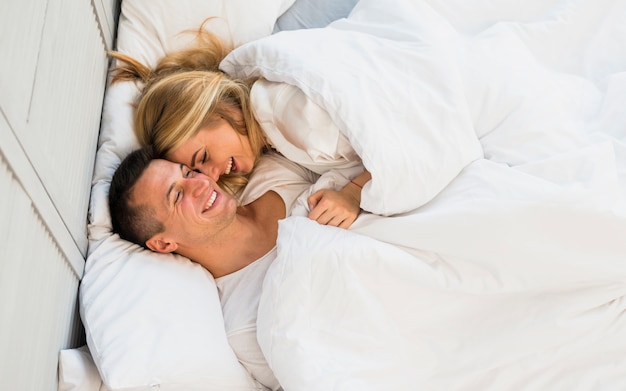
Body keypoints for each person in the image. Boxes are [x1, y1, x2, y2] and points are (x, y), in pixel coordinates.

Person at [110, 23, 371, 229]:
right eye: (195, 170)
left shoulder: (294, 115)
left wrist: (354, 193)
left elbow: (394, 143)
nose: (210, 178)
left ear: (219, 111)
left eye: (202, 157)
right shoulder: (268, 133)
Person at [109, 145, 321, 390]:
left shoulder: (274, 172)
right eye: (177, 196)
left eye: (188, 173)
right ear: (163, 243)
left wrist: (354, 192)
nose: (200, 184)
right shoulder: (245, 328)